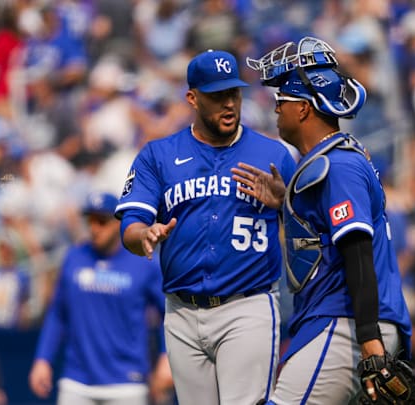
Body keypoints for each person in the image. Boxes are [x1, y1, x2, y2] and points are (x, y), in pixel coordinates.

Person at [115, 49, 296, 405]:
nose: (228, 104)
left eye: (234, 93)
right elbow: (130, 230)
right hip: (181, 310)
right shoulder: (158, 155)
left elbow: (308, 235)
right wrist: (145, 236)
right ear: (192, 98)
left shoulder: (274, 156)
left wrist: (287, 206)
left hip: (247, 305)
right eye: (217, 96)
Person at [243, 36, 415, 404]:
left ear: (304, 109)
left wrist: (370, 339)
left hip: (345, 321)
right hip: (338, 318)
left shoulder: (338, 165)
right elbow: (322, 244)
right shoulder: (330, 162)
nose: (276, 110)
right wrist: (285, 206)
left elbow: (357, 250)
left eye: (282, 102)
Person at [29, 192, 172, 405]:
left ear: (119, 224)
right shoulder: (75, 257)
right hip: (77, 380)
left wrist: (165, 357)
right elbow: (58, 313)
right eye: (90, 221)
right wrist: (43, 358)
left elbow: (168, 313)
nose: (94, 228)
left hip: (127, 382)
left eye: (102, 221)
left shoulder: (144, 261)